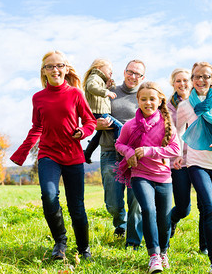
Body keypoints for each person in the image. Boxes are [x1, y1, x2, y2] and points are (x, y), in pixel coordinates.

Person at [10, 50, 97, 261]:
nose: (55, 70)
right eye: (50, 66)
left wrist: (82, 132)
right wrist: (20, 154)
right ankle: (60, 242)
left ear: (66, 69)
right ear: (44, 71)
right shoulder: (38, 98)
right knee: (49, 197)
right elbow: (36, 127)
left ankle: (84, 249)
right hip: (48, 154)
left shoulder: (76, 94)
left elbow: (90, 122)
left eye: (59, 65)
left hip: (73, 155)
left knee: (76, 206)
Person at [168, 68, 212, 255]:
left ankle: (210, 248)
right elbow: (178, 131)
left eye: (205, 77)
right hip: (192, 161)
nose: (200, 80)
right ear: (193, 80)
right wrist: (179, 154)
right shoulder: (181, 105)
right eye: (197, 77)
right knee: (204, 208)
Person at [115, 81, 180, 274]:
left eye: (152, 99)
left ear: (160, 100)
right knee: (148, 210)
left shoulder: (167, 124)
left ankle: (163, 252)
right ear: (138, 100)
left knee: (164, 218)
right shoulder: (130, 125)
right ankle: (154, 257)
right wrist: (129, 153)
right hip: (140, 175)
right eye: (143, 99)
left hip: (163, 178)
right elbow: (119, 144)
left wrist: (150, 151)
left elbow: (175, 149)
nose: (148, 103)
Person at [96, 60, 145, 249]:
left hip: (136, 156)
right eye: (130, 72)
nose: (133, 77)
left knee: (136, 200)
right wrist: (96, 125)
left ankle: (133, 240)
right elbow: (93, 116)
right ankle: (120, 223)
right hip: (110, 151)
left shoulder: (144, 97)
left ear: (142, 78)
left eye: (138, 74)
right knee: (113, 203)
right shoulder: (110, 93)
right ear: (124, 72)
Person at [82, 58, 123, 164]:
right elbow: (91, 87)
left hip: (99, 112)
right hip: (98, 113)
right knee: (119, 127)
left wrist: (107, 86)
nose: (111, 71)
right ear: (99, 67)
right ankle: (120, 154)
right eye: (109, 68)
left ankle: (87, 153)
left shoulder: (100, 80)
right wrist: (106, 92)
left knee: (99, 134)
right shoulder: (94, 77)